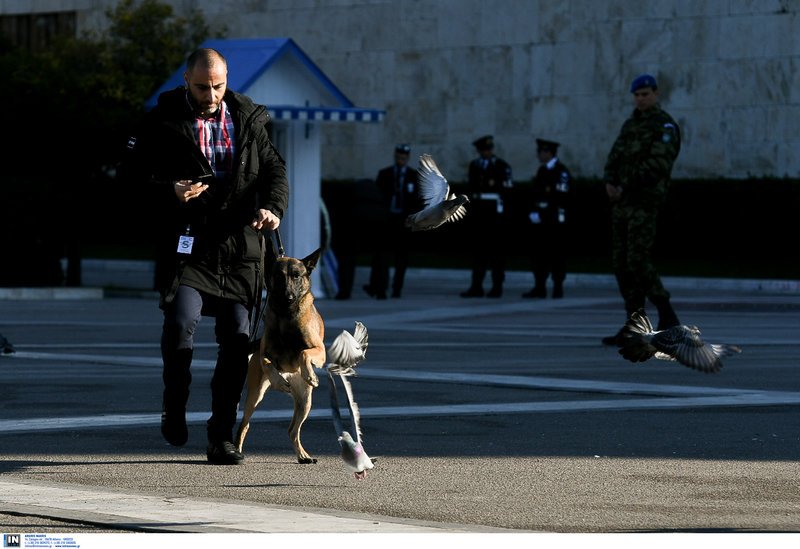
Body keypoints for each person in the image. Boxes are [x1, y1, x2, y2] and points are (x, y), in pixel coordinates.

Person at [119, 48, 289, 465]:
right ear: (185, 80)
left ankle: (221, 435)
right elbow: (128, 178)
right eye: (202, 87)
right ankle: (174, 405)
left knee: (235, 341)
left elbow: (275, 171)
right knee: (180, 325)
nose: (211, 95)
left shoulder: (249, 119)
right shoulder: (162, 121)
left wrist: (272, 208)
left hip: (241, 250)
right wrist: (169, 191)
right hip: (190, 245)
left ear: (227, 79)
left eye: (218, 85)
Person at [601, 73, 681, 345]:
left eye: (645, 94)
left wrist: (624, 184)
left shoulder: (664, 126)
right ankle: (635, 324)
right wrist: (610, 182)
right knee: (621, 264)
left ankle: (667, 314)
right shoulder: (630, 124)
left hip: (644, 202)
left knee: (638, 260)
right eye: (637, 95)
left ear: (655, 94)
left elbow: (658, 165)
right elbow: (615, 156)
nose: (640, 99)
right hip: (622, 204)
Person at [363, 144, 420, 299]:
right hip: (387, 221)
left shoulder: (413, 176)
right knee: (382, 256)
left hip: (404, 221)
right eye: (399, 156)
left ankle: (397, 288)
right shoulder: (385, 174)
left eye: (404, 157)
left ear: (407, 158)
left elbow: (416, 200)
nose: (401, 159)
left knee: (402, 257)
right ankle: (381, 288)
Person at [460, 135, 513, 298]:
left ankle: (497, 286)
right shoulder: (475, 166)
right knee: (479, 252)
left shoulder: (502, 166)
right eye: (483, 150)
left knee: (497, 253)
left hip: (495, 216)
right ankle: (477, 285)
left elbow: (508, 191)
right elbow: (472, 189)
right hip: (480, 214)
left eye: (489, 149)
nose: (486, 152)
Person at [522, 138, 571, 299]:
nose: (538, 155)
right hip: (541, 220)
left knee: (556, 254)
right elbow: (536, 194)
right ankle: (540, 286)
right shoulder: (542, 171)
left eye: (540, 152)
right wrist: (534, 211)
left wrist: (543, 214)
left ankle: (558, 287)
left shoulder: (561, 172)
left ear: (548, 152)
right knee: (539, 254)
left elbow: (561, 198)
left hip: (554, 221)